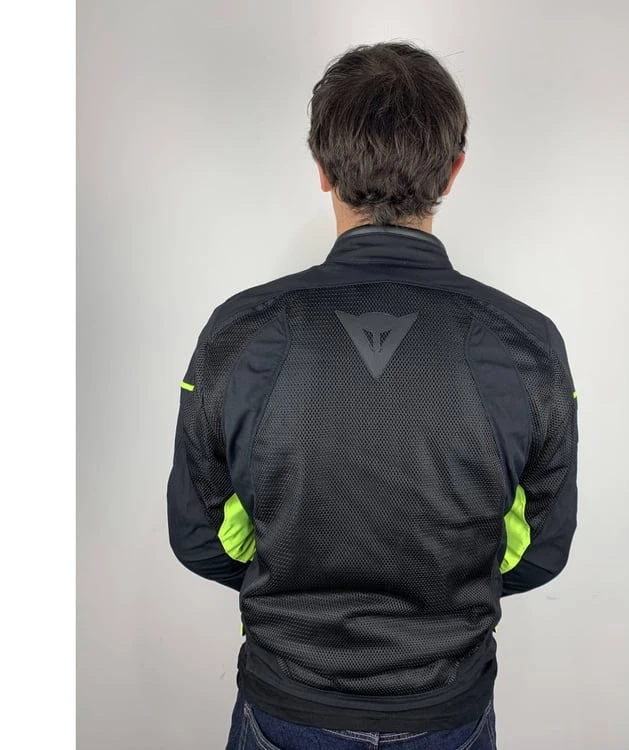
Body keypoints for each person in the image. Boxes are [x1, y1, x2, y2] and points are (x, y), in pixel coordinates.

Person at [167, 40, 578, 750]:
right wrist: (437, 603)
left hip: (284, 703)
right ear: (454, 170)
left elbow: (200, 535)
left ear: (322, 170)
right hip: (446, 711)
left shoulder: (240, 331)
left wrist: (293, 584)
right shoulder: (526, 343)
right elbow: (537, 550)